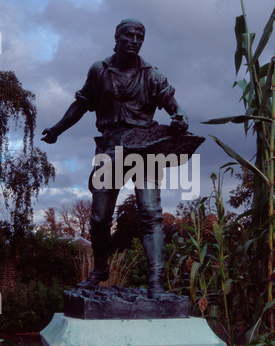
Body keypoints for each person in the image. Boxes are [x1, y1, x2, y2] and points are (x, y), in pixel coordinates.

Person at [42, 18, 189, 299]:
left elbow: (175, 107)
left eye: (140, 37)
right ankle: (100, 270)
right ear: (117, 37)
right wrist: (57, 130)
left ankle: (156, 282)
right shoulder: (100, 70)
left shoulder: (152, 75)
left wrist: (180, 117)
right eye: (129, 35)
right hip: (109, 148)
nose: (135, 40)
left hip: (145, 149)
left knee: (151, 215)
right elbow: (81, 104)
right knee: (98, 218)